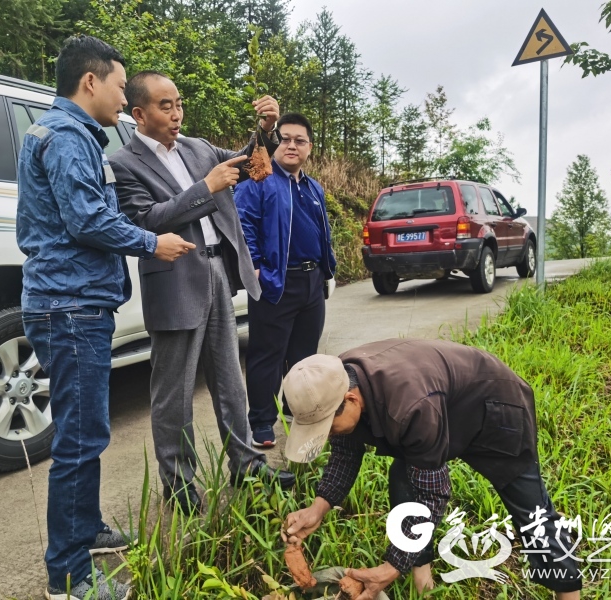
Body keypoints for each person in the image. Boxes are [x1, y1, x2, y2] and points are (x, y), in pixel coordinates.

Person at [16, 37, 194, 600]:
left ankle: (86, 528)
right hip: (70, 306)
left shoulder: (62, 133)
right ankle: (67, 576)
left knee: (87, 430)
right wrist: (150, 241)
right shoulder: (68, 137)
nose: (123, 98)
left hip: (72, 302)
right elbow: (87, 218)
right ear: (89, 81)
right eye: (120, 86)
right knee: (79, 439)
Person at [109, 71, 295, 515]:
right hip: (173, 280)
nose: (177, 114)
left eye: (178, 103)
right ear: (139, 114)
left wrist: (264, 131)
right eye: (165, 106)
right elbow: (147, 221)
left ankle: (246, 463)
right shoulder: (124, 163)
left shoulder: (197, 147)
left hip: (217, 271)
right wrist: (206, 188)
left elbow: (248, 163)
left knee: (230, 379)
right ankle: (179, 483)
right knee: (173, 393)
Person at [280, 339, 582, 600]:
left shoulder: (409, 408)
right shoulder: (336, 380)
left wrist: (391, 566)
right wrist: (317, 509)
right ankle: (422, 583)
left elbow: (433, 496)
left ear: (351, 400)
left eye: (328, 428)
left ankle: (568, 591)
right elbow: (346, 454)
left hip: (496, 410)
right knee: (404, 477)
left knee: (531, 511)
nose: (329, 435)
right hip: (440, 403)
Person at [233, 113, 336, 448]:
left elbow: (323, 232)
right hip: (276, 282)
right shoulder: (260, 182)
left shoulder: (313, 187)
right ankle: (262, 421)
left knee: (304, 355)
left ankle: (298, 409)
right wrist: (257, 269)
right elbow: (243, 224)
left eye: (300, 140)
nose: (292, 145)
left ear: (309, 148)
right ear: (278, 143)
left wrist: (327, 269)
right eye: (286, 139)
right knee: (267, 355)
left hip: (311, 281)